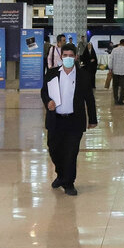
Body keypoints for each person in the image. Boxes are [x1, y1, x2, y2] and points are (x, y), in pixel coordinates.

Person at [40, 42, 97, 196]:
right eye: (65, 56)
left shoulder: (83, 75)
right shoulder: (51, 73)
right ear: (61, 57)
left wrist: (92, 119)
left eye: (71, 56)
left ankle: (69, 182)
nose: (68, 58)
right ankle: (61, 174)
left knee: (71, 153)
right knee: (54, 150)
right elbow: (44, 92)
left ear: (76, 57)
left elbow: (89, 99)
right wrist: (48, 102)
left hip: (74, 120)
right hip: (56, 120)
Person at [109, 39, 124, 105]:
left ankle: (116, 100)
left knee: (115, 86)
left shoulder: (114, 50)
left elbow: (111, 60)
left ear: (119, 43)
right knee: (123, 87)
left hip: (115, 71)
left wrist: (110, 68)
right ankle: (121, 100)